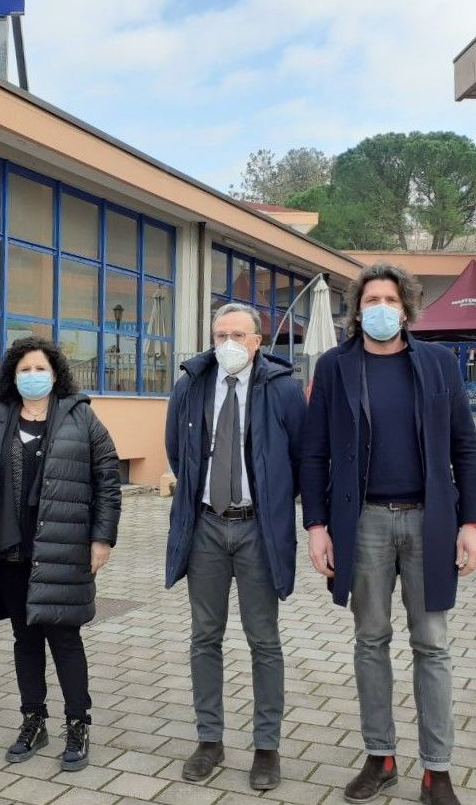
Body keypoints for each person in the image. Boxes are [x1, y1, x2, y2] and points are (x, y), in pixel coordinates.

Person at [300, 263, 476, 805]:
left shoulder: (438, 364)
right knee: (370, 639)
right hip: (364, 523)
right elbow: (314, 453)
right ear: (357, 311)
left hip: (431, 521)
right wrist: (316, 526)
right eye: (370, 300)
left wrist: (471, 523)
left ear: (406, 309)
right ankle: (380, 757)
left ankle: (437, 770)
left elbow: (465, 446)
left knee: (432, 644)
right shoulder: (335, 367)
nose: (380, 308)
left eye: (389, 299)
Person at [0, 336, 121, 772]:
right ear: (12, 376)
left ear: (55, 374)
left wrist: (102, 538)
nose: (33, 376)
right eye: (25, 370)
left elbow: (107, 480)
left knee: (65, 639)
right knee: (25, 640)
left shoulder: (80, 416)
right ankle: (33, 721)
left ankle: (77, 724)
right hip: (9, 552)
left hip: (62, 551)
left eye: (41, 368)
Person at [163, 303, 306, 791]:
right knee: (205, 636)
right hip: (205, 526)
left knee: (263, 639)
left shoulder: (282, 389)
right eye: (220, 334)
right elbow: (177, 452)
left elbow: (301, 457)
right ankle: (210, 740)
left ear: (258, 341)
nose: (228, 343)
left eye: (238, 335)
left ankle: (267, 747)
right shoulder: (190, 385)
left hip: (257, 530)